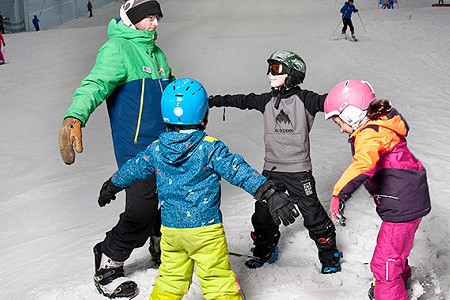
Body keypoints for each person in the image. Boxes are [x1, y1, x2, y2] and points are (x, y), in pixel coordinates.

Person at [97, 78, 300, 300]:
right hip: (205, 231)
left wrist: (112, 185)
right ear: (203, 118)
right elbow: (238, 171)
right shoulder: (210, 148)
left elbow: (133, 169)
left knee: (171, 279)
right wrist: (268, 192)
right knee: (216, 280)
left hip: (172, 232)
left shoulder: (155, 149)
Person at [57, 0, 174, 298]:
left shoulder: (157, 54)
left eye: (157, 17)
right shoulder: (117, 49)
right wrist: (75, 115)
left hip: (165, 145)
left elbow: (171, 93)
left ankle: (161, 245)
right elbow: (94, 84)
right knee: (142, 209)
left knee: (172, 197)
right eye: (148, 18)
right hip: (136, 149)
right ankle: (109, 260)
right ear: (133, 19)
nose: (155, 24)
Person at [208, 50, 342, 274]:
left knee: (312, 214)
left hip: (299, 171)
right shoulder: (267, 101)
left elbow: (328, 101)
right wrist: (213, 101)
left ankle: (329, 255)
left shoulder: (305, 99)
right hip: (271, 169)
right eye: (269, 69)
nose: (270, 75)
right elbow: (241, 100)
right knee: (263, 213)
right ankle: (265, 248)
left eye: (276, 69)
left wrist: (351, 100)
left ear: (291, 73)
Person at [323, 80, 431, 300]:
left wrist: (338, 194)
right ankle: (398, 284)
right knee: (394, 254)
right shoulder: (379, 128)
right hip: (409, 200)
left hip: (401, 206)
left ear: (352, 114)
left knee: (384, 264)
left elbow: (363, 164)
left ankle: (390, 291)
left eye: (339, 122)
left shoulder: (370, 135)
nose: (341, 128)